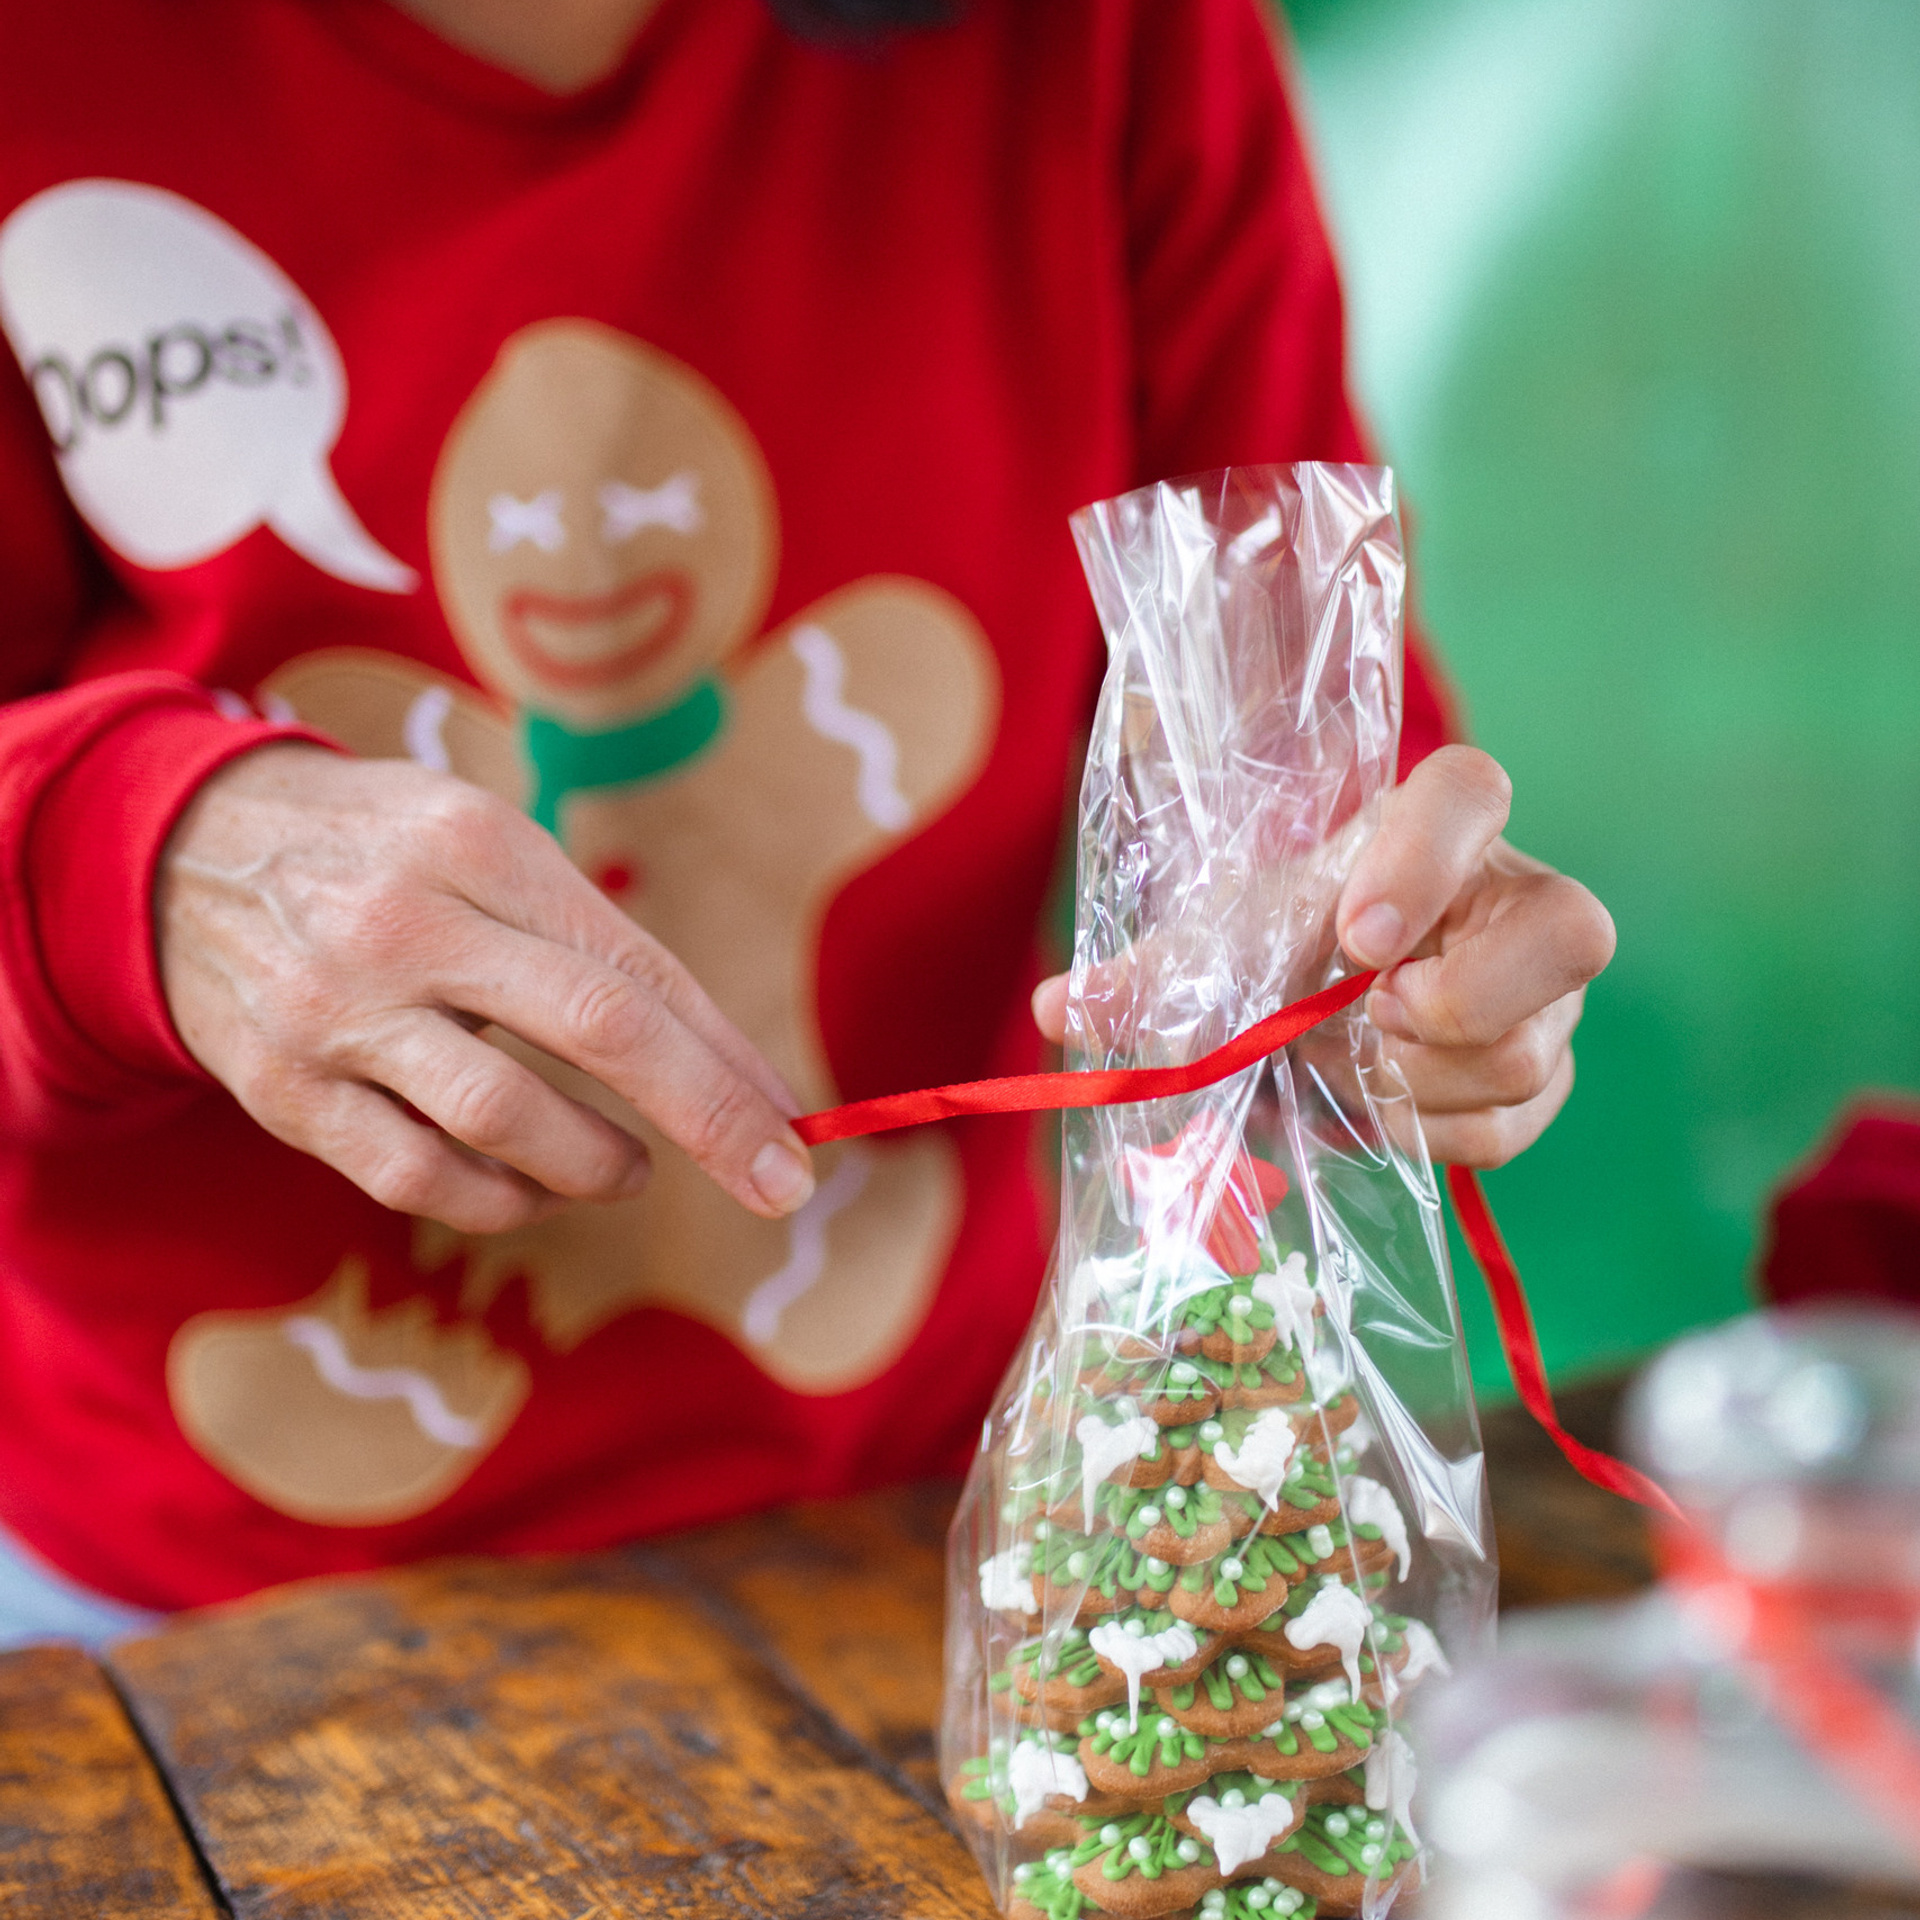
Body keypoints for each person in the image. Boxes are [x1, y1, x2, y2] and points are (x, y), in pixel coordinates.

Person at [0, 0, 1613, 1646]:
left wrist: (1389, 945)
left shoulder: (1109, 38)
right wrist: (142, 860)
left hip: (946, 1528)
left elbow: (1288, 718)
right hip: (182, 1613)